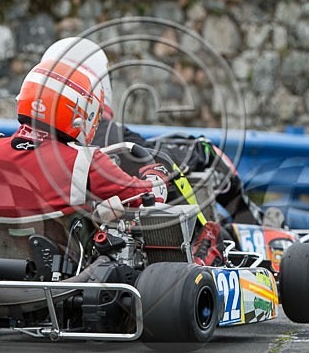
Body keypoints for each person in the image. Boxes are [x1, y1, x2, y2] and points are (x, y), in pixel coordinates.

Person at [41, 37, 264, 226]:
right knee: (201, 149)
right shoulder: (116, 141)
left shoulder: (14, 149)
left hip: (37, 256)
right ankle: (241, 227)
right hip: (106, 251)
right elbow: (162, 163)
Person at [0, 58, 168, 260]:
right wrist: (157, 177)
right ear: (77, 112)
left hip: (0, 270)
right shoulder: (84, 161)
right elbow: (143, 198)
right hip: (67, 280)